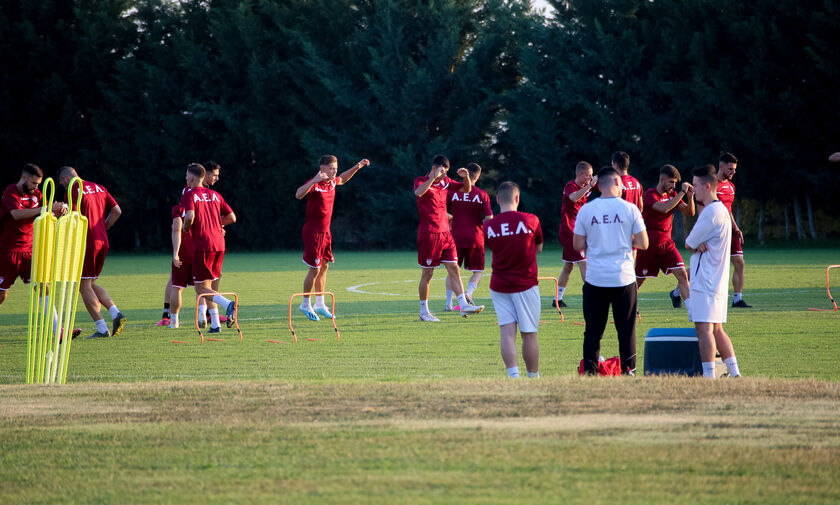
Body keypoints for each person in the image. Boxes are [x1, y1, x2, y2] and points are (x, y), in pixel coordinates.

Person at [574, 166, 648, 375]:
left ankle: (589, 372)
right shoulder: (629, 209)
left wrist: (598, 236)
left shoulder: (587, 209)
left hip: (596, 278)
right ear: (616, 182)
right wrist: (622, 236)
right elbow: (643, 243)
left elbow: (578, 244)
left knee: (593, 332)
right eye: (622, 183)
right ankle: (629, 371)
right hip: (623, 278)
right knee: (626, 330)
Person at [295, 155, 370, 320]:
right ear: (323, 169)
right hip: (313, 232)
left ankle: (319, 303)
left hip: (326, 232)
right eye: (331, 169)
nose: (334, 171)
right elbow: (298, 194)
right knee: (314, 269)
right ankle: (305, 304)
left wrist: (357, 167)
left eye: (335, 168)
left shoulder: (332, 183)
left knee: (324, 267)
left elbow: (342, 179)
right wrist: (315, 179)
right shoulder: (316, 184)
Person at [685, 164, 741, 378]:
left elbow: (689, 242)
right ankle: (735, 373)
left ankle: (709, 377)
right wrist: (697, 243)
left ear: (707, 186)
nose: (693, 189)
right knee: (717, 329)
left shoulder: (711, 213)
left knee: (704, 330)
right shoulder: (722, 211)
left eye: (696, 185)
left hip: (705, 279)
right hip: (717, 278)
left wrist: (695, 244)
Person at [414, 155, 485, 321]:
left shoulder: (446, 182)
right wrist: (433, 177)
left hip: (446, 234)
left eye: (446, 172)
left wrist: (466, 176)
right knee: (427, 274)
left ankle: (463, 304)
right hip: (429, 235)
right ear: (434, 168)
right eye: (442, 171)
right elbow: (418, 192)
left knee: (454, 268)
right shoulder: (421, 180)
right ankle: (424, 311)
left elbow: (466, 189)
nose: (445, 175)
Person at [57, 166, 126, 339]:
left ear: (65, 180)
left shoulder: (72, 189)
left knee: (83, 285)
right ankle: (115, 313)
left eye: (62, 184)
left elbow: (72, 216)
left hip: (86, 242)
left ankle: (102, 329)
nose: (64, 187)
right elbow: (117, 211)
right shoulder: (99, 187)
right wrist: (103, 228)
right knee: (91, 283)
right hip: (102, 241)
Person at [484, 181, 544, 378]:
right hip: (525, 283)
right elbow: (538, 248)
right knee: (529, 333)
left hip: (499, 284)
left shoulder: (489, 225)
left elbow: (491, 247)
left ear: (498, 199)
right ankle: (533, 377)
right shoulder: (531, 220)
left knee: (507, 332)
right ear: (517, 198)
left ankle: (513, 377)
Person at [0, 164, 67, 307]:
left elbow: (49, 211)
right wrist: (46, 208)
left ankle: (57, 328)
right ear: (24, 178)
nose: (36, 187)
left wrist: (60, 210)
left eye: (38, 184)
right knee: (2, 294)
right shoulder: (10, 192)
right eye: (34, 183)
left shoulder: (37, 195)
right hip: (7, 252)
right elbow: (16, 214)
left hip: (29, 251)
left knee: (43, 286)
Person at [181, 163, 236, 334]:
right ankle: (215, 325)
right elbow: (232, 217)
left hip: (203, 245)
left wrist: (186, 227)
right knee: (209, 285)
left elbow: (189, 216)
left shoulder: (189, 194)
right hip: (219, 244)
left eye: (186, 177)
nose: (186, 180)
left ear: (191, 178)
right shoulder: (215, 195)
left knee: (200, 288)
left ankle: (228, 304)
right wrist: (215, 224)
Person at [635, 164, 695, 307]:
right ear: (662, 179)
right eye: (671, 182)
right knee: (638, 280)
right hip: (648, 245)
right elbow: (664, 208)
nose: (673, 186)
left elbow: (690, 212)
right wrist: (681, 192)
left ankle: (692, 310)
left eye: (676, 183)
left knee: (682, 274)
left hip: (666, 244)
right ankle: (630, 306)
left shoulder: (673, 195)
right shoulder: (650, 194)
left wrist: (690, 197)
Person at [444, 162, 493, 311]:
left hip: (455, 237)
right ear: (477, 176)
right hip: (475, 237)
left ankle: (448, 303)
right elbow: (489, 217)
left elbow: (441, 211)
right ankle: (468, 293)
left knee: (453, 271)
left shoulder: (453, 192)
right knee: (478, 270)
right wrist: (480, 227)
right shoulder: (482, 194)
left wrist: (454, 219)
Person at [554, 161, 596, 308]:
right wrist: (591, 185)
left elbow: (605, 185)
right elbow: (574, 198)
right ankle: (592, 296)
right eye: (588, 175)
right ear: (580, 175)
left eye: (592, 175)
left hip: (579, 230)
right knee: (583, 262)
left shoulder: (587, 184)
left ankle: (557, 298)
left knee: (568, 266)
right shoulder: (570, 186)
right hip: (569, 231)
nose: (590, 178)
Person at [714, 152, 751, 308]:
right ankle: (677, 289)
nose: (733, 172)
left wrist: (736, 228)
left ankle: (737, 299)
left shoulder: (731, 186)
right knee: (709, 266)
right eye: (730, 169)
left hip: (729, 230)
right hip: (715, 232)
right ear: (721, 167)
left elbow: (728, 210)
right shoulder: (710, 185)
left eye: (734, 169)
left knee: (739, 262)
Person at [167, 200, 193, 329]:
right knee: (202, 287)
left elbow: (177, 229)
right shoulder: (202, 206)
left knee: (177, 287)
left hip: (182, 253)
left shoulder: (178, 209)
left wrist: (176, 253)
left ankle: (174, 322)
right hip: (200, 252)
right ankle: (202, 317)